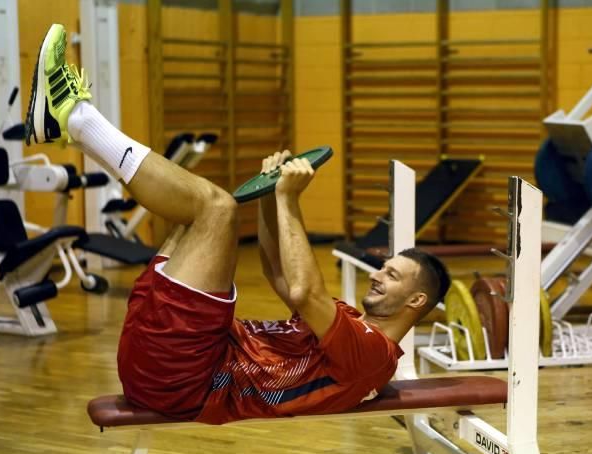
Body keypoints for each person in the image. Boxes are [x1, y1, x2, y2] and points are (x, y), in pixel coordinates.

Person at [25, 24, 451, 424]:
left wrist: (288, 198)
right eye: (384, 267)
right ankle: (71, 125)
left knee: (218, 208)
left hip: (189, 378)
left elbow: (304, 291)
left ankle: (76, 117)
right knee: (195, 214)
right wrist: (271, 196)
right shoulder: (350, 321)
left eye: (392, 275)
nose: (378, 275)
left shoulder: (373, 355)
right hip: (183, 355)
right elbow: (281, 275)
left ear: (416, 301)